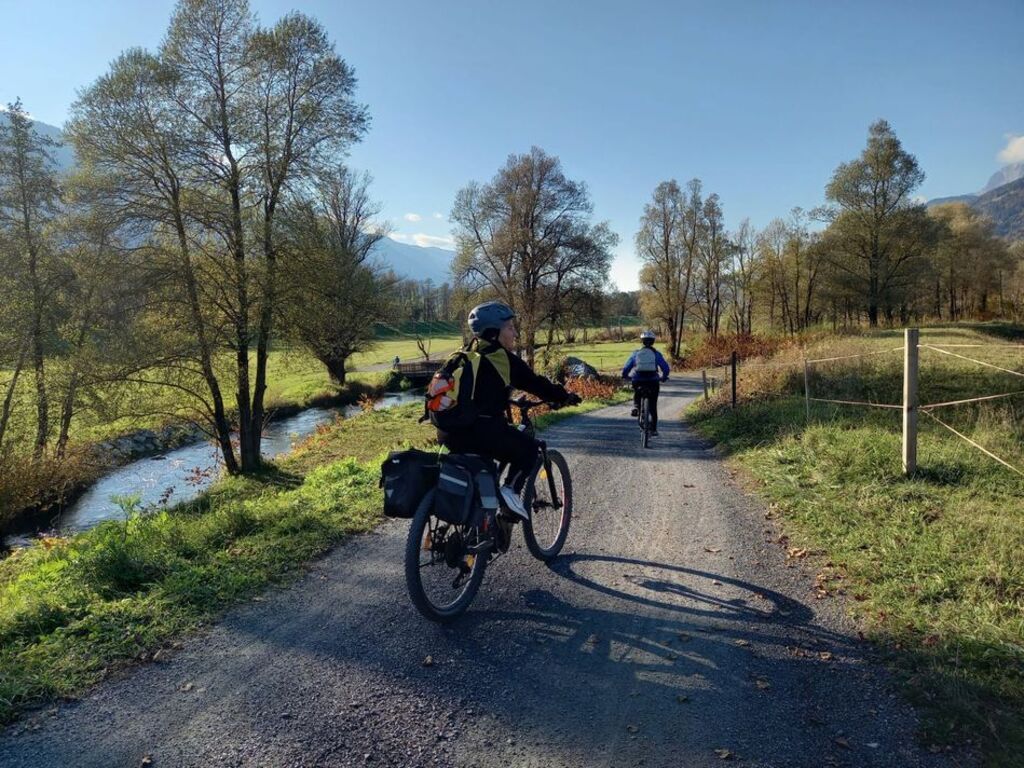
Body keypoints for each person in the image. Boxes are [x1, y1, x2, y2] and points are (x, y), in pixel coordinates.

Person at [435, 301, 580, 521]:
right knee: (530, 450)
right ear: (494, 333)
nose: (515, 333)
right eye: (510, 328)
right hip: (483, 433)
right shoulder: (500, 358)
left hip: (448, 433)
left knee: (485, 465)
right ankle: (510, 492)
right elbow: (536, 384)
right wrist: (564, 396)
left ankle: (479, 521)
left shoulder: (461, 355)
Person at [621, 330, 670, 435]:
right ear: (653, 342)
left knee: (637, 393)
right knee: (653, 405)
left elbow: (626, 367)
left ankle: (636, 407)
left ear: (642, 341)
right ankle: (653, 429)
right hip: (653, 381)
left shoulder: (636, 354)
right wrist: (664, 377)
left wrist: (625, 376)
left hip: (638, 379)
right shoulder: (656, 354)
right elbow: (665, 368)